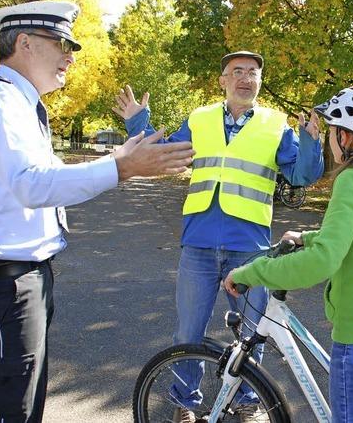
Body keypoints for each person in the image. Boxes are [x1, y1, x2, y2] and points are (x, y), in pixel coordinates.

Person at [0, 1, 194, 423]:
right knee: (9, 409)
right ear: (24, 42)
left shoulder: (18, 101)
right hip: (5, 283)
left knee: (21, 401)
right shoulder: (0, 99)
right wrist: (120, 168)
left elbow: (45, 175)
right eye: (61, 43)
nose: (71, 55)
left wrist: (115, 159)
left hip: (23, 279)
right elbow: (32, 183)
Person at [113, 51, 323, 421]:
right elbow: (164, 153)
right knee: (188, 334)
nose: (245, 78)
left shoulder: (277, 124)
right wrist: (137, 123)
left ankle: (246, 400)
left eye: (253, 73)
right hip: (199, 244)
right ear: (223, 80)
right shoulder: (201, 118)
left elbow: (303, 176)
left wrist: (309, 142)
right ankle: (185, 403)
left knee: (251, 334)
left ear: (259, 82)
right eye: (237, 72)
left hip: (251, 249)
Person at [223, 85, 353, 422]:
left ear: (348, 136)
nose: (328, 139)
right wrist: (309, 236)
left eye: (332, 131)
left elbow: (322, 262)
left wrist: (252, 271)